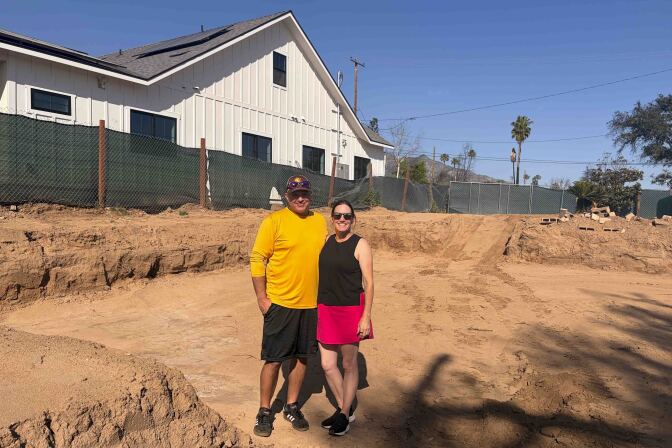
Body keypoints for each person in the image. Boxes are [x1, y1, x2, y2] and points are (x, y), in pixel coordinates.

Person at [250, 175, 328, 438]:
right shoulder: (274, 222)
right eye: (295, 194)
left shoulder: (319, 222)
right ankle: (264, 410)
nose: (300, 198)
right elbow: (257, 258)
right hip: (281, 303)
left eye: (304, 193)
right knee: (273, 360)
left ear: (310, 195)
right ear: (286, 197)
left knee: (302, 357)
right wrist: (262, 298)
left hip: (310, 305)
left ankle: (292, 405)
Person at [317, 199, 374, 436]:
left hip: (351, 309)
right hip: (325, 308)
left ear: (353, 219)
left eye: (347, 216)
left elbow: (369, 283)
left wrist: (365, 316)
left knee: (349, 364)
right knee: (328, 364)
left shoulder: (361, 244)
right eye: (338, 216)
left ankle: (343, 413)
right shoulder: (327, 241)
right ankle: (345, 409)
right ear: (332, 218)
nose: (342, 220)